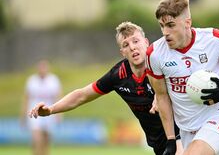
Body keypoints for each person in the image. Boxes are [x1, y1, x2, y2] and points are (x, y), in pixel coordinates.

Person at [29, 22, 183, 155]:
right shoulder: (118, 76)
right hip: (159, 144)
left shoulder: (163, 63)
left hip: (182, 134)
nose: (132, 47)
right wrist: (51, 110)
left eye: (136, 41)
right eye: (126, 45)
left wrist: (161, 94)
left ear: (146, 42)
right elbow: (82, 95)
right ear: (122, 52)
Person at [146, 0, 219, 155]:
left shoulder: (214, 39)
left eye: (170, 25)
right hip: (187, 131)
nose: (165, 32)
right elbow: (162, 96)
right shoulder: (155, 54)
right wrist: (171, 139)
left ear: (187, 23)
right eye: (161, 26)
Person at [21, 60, 62, 155]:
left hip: (49, 112)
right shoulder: (31, 81)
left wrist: (59, 114)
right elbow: (26, 98)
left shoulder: (53, 80)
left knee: (47, 140)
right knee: (37, 139)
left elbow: (58, 97)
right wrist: (23, 115)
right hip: (34, 113)